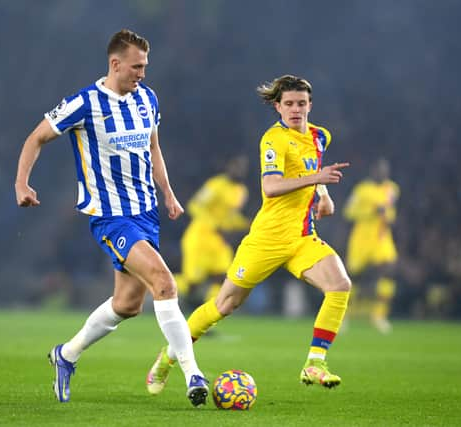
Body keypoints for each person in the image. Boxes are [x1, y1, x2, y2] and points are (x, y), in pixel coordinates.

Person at [14, 29, 209, 406]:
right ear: (115, 63)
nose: (143, 74)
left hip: (146, 213)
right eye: (137, 66)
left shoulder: (147, 99)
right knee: (164, 283)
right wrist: (22, 183)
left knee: (127, 305)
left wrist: (167, 193)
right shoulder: (84, 103)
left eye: (146, 67)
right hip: (110, 218)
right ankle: (193, 375)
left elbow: (154, 148)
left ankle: (66, 354)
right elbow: (35, 138)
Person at [146, 74, 352, 395]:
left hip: (301, 237)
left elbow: (312, 168)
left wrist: (323, 194)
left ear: (310, 105)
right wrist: (317, 178)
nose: (295, 109)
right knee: (224, 305)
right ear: (277, 106)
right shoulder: (273, 140)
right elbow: (270, 187)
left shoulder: (319, 136)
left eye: (301, 103)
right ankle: (168, 357)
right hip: (267, 239)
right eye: (289, 104)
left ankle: (315, 361)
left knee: (339, 285)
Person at [174, 155, 250, 308]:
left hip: (218, 241)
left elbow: (230, 217)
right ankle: (162, 283)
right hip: (200, 238)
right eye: (236, 167)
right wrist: (213, 224)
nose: (238, 171)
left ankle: (208, 314)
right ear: (228, 168)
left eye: (242, 168)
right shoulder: (215, 185)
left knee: (224, 277)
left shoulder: (241, 191)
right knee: (192, 284)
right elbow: (194, 205)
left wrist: (246, 224)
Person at [343, 157, 399, 333]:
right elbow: (348, 212)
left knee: (388, 269)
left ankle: (379, 315)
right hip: (361, 239)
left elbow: (391, 209)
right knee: (353, 277)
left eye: (385, 170)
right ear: (372, 172)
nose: (383, 173)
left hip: (382, 238)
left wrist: (389, 217)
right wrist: (371, 211)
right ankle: (343, 316)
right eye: (379, 170)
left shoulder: (392, 188)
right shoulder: (362, 190)